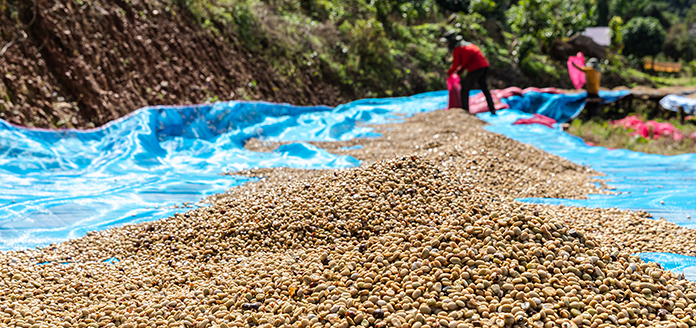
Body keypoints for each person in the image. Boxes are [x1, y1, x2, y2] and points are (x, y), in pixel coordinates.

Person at [446, 35, 496, 115]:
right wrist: (459, 71)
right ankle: (492, 109)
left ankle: (465, 111)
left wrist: (449, 73)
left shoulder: (458, 49)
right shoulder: (468, 45)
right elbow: (465, 62)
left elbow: (456, 64)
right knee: (484, 88)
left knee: (465, 90)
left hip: (476, 68)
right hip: (485, 66)